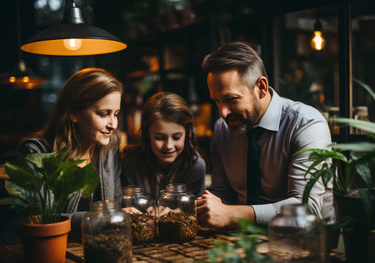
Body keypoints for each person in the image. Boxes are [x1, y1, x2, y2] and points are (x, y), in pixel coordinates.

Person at [196, 41, 333, 228]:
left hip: (308, 242)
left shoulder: (306, 124)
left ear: (261, 87)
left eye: (231, 99)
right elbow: (222, 194)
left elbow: (308, 209)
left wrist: (231, 215)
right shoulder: (222, 128)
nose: (222, 112)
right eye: (217, 101)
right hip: (244, 240)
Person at [19, 68, 123, 238]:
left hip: (93, 249)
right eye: (104, 114)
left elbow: (117, 205)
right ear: (74, 113)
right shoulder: (36, 152)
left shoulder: (109, 150)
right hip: (43, 251)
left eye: (116, 114)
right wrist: (103, 218)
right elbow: (42, 220)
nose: (113, 124)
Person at [121, 92, 206, 201]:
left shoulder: (195, 166)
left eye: (176, 137)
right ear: (147, 133)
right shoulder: (131, 162)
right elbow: (126, 204)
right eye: (159, 137)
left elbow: (195, 209)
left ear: (187, 133)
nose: (169, 146)